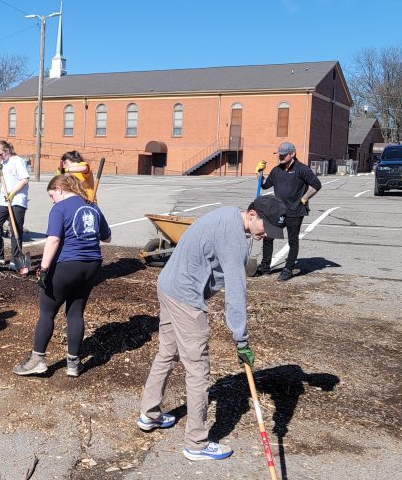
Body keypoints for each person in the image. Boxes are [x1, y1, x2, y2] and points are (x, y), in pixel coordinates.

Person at [138, 196, 286, 462]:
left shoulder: (228, 214)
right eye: (266, 228)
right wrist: (241, 340)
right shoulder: (235, 241)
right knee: (198, 370)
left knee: (167, 353)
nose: (266, 235)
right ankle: (196, 444)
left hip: (168, 285)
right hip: (185, 297)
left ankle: (149, 415)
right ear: (252, 215)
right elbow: (236, 294)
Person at [13, 175, 112, 378]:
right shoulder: (92, 207)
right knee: (75, 314)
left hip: (66, 266)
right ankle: (73, 364)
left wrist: (44, 269)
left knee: (47, 313)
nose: (52, 200)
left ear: (59, 189)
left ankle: (37, 360)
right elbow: (107, 237)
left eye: (52, 195)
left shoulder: (60, 208)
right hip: (91, 266)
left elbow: (53, 240)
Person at [254, 142, 322, 281]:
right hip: (278, 211)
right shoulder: (276, 170)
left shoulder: (302, 169)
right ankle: (265, 266)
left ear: (292, 154)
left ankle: (288, 268)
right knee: (268, 236)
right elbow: (265, 185)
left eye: (284, 155)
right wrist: (259, 173)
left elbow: (316, 184)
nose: (281, 157)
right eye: (279, 155)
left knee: (292, 240)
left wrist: (305, 198)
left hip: (295, 211)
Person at [0, 141, 30, 272]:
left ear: (8, 150)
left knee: (15, 229)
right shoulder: (3, 163)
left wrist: (13, 193)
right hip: (3, 199)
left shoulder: (17, 160)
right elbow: (3, 181)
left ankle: (16, 259)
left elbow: (25, 179)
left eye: (1, 154)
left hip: (17, 200)